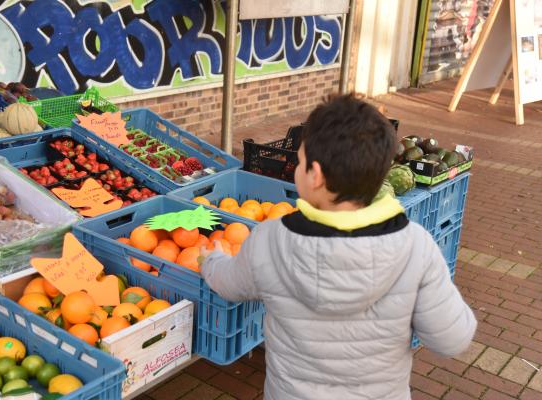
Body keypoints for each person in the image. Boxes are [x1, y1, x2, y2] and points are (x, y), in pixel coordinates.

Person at [199, 94, 477, 400]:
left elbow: (230, 285)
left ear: (315, 175)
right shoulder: (416, 247)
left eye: (300, 162)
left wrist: (210, 259)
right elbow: (453, 339)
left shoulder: (270, 240)